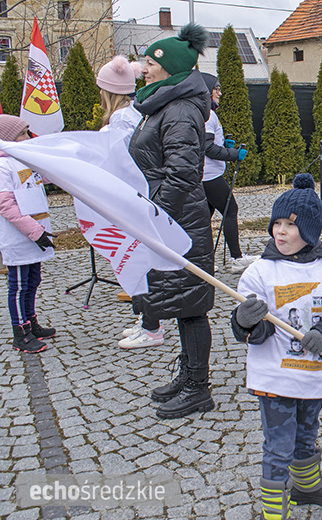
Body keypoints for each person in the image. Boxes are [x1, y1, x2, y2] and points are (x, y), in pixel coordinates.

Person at [231, 173, 322, 520]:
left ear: (311, 230)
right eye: (276, 223)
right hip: (276, 377)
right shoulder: (259, 273)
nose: (281, 231)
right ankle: (275, 510)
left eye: (291, 224)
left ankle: (306, 487)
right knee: (278, 445)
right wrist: (247, 320)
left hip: (313, 374)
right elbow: (248, 333)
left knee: (307, 431)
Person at [128, 24, 216, 419]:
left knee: (191, 304)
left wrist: (155, 216)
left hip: (179, 219)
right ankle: (188, 374)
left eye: (149, 62)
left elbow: (181, 173)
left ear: (169, 68)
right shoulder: (163, 103)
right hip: (170, 216)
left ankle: (199, 387)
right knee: (182, 302)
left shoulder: (179, 109)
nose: (143, 69)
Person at [94, 55, 168, 350]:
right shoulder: (135, 114)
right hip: (136, 196)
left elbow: (125, 161)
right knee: (140, 260)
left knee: (140, 262)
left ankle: (152, 326)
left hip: (132, 198)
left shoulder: (122, 119)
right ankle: (146, 320)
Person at [0, 115, 56, 353]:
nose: (28, 137)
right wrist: (34, 231)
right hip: (20, 237)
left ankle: (31, 321)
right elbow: (5, 205)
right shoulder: (3, 165)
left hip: (36, 233)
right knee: (20, 284)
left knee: (34, 280)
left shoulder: (24, 160)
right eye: (23, 133)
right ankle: (20, 332)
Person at [200, 72, 256, 274]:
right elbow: (207, 148)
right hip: (209, 176)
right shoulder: (207, 114)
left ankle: (203, 260)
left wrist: (224, 144)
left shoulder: (206, 113)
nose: (220, 93)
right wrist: (233, 154)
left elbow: (209, 144)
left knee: (204, 217)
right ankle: (237, 258)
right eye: (217, 89)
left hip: (208, 174)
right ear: (207, 91)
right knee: (231, 210)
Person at [96, 55, 143, 143]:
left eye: (102, 89)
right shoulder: (134, 109)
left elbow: (121, 153)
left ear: (110, 92)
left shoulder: (120, 117)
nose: (100, 93)